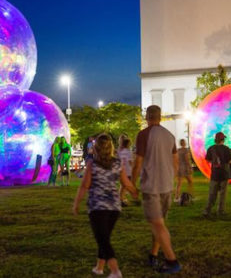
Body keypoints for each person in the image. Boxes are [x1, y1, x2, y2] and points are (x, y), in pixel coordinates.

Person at [73, 134, 138, 278]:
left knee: (103, 239)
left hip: (98, 207)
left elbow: (85, 185)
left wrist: (76, 203)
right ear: (111, 148)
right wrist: (135, 192)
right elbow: (125, 183)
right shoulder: (117, 163)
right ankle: (99, 267)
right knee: (104, 237)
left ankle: (115, 271)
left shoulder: (92, 164)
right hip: (114, 207)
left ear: (96, 148)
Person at [132, 105, 181, 274]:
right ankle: (153, 254)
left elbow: (138, 162)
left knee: (157, 224)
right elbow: (175, 162)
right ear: (160, 117)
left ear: (147, 116)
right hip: (166, 185)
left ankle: (171, 260)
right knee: (159, 223)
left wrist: (132, 183)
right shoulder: (170, 136)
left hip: (151, 186)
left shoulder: (144, 135)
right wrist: (173, 180)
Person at [202, 132, 231, 217]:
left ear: (215, 140)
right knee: (222, 194)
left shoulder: (211, 148)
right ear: (223, 139)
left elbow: (208, 160)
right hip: (224, 174)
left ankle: (207, 210)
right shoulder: (226, 149)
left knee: (212, 193)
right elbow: (229, 160)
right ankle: (220, 211)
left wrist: (214, 162)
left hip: (214, 174)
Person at [117, 136, 133, 206]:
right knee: (125, 186)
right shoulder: (129, 152)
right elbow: (130, 162)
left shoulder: (121, 151)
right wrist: (133, 167)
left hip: (121, 170)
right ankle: (121, 199)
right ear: (128, 144)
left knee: (123, 185)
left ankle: (121, 198)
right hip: (128, 171)